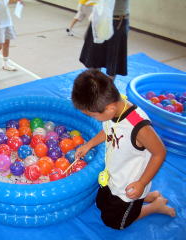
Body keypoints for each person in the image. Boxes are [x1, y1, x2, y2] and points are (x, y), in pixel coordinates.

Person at [71, 69, 176, 230]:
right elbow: (108, 130)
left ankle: (155, 206)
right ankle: (144, 198)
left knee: (114, 222)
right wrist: (89, 144)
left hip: (129, 183)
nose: (93, 119)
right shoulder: (114, 111)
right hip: (114, 175)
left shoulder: (138, 127)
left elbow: (159, 153)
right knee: (101, 203)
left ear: (110, 108)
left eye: (92, 116)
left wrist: (141, 183)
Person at [79, 0, 130, 79]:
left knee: (113, 60)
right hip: (100, 18)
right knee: (94, 58)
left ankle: (107, 88)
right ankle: (94, 85)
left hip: (117, 21)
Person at [0, 0, 21, 71]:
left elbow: (7, 1)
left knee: (6, 43)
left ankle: (5, 64)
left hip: (7, 21)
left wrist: (17, 1)